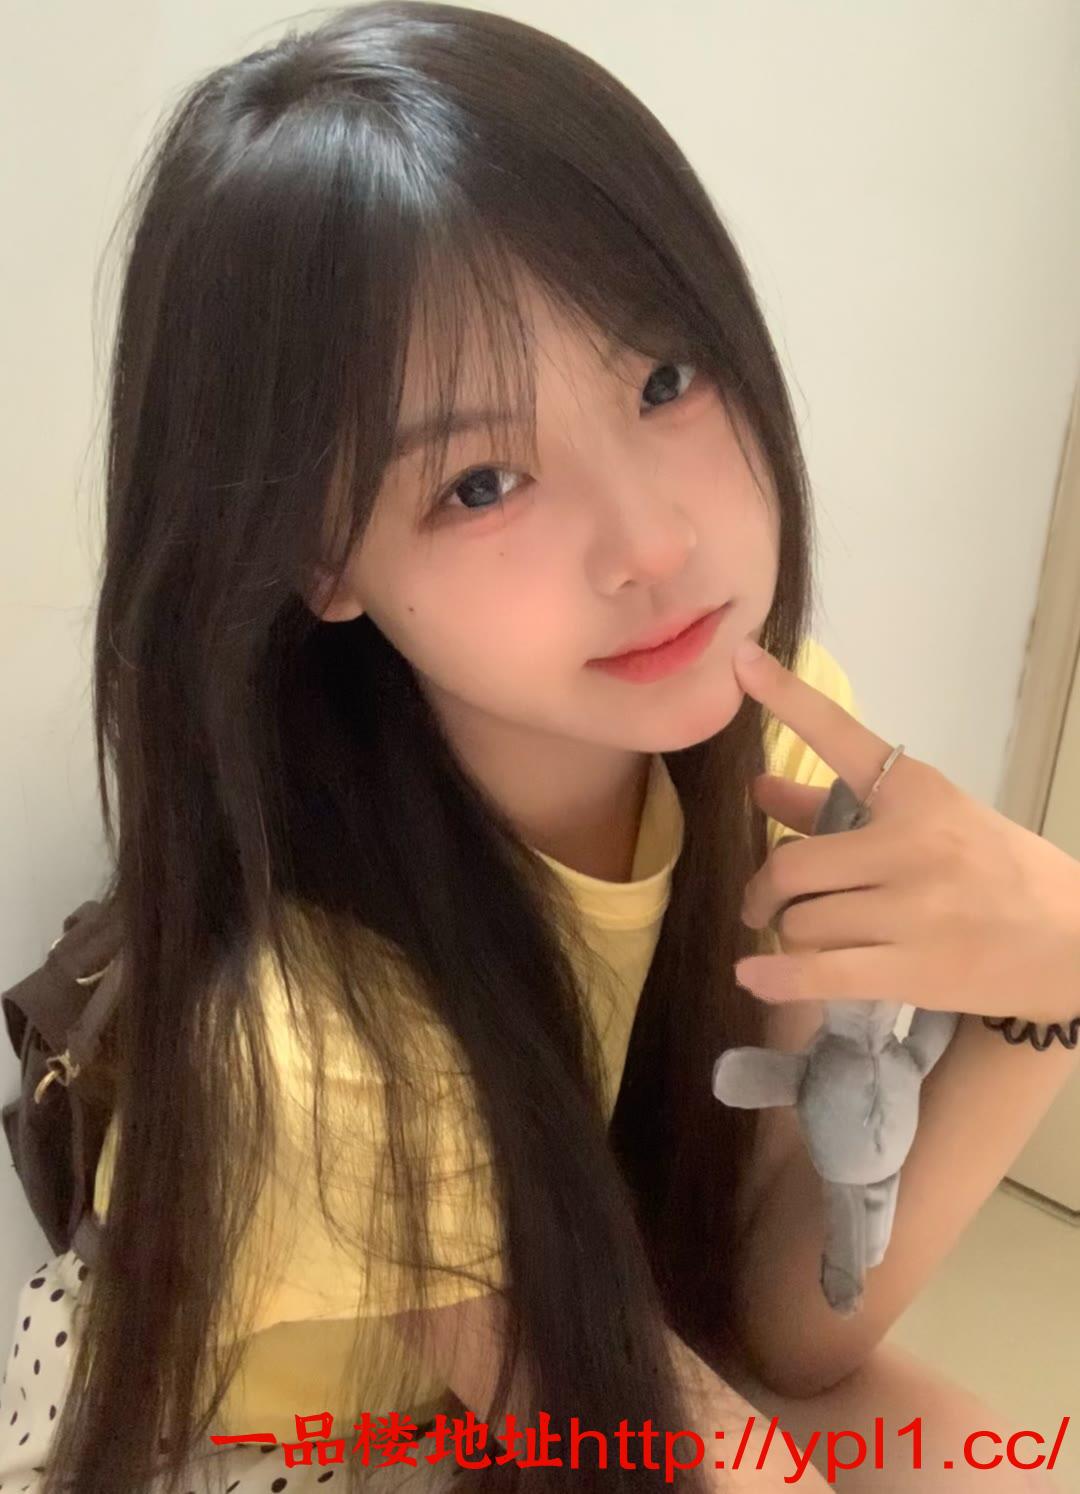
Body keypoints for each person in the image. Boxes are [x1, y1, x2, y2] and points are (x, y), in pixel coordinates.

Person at [0, 4, 1072, 1491]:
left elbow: (791, 1319)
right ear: (322, 559)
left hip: (567, 1350)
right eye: (483, 480)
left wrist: (1047, 984)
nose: (653, 542)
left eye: (664, 380)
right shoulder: (314, 1030)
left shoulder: (763, 741)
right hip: (280, 1444)